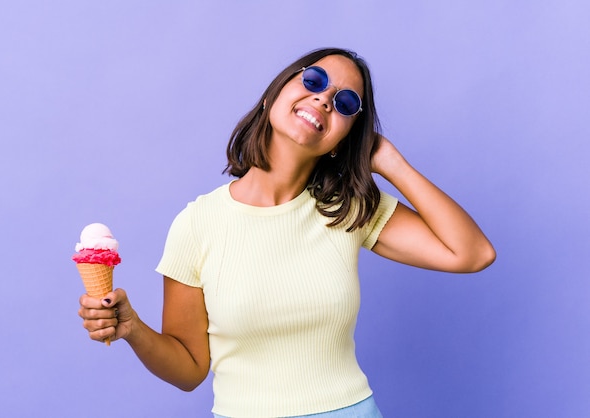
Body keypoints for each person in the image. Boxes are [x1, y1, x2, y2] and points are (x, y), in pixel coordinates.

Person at [78, 47, 496, 418]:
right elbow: (189, 369)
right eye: (314, 81)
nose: (324, 98)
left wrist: (392, 164)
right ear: (272, 96)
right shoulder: (197, 223)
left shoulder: (348, 208)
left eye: (346, 102)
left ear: (343, 140)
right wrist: (131, 327)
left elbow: (473, 254)